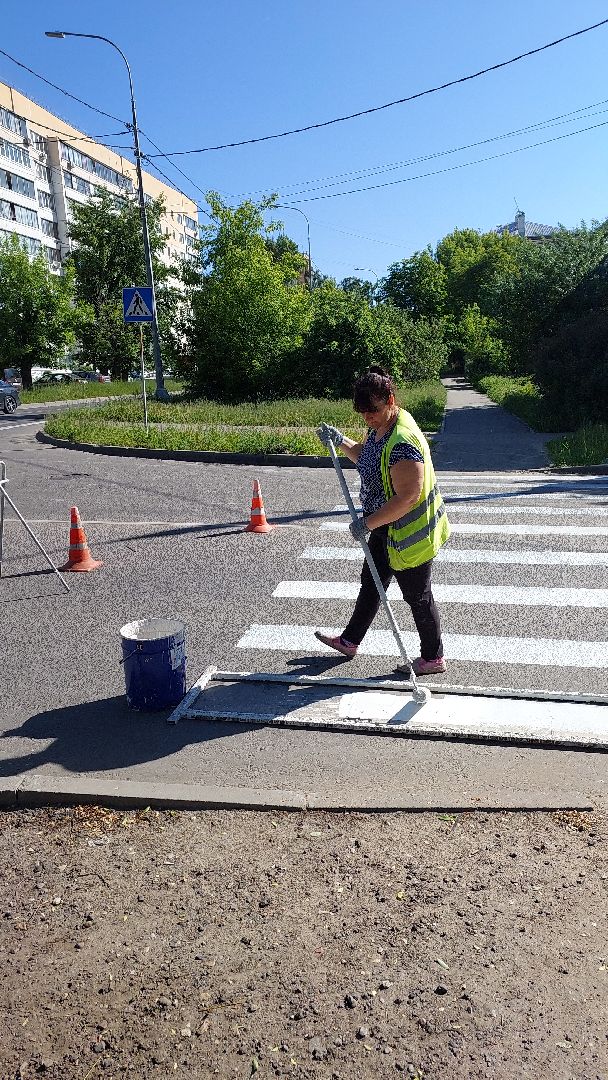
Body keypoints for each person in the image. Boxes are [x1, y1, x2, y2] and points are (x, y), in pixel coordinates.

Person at [315, 366, 450, 675]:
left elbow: (407, 497)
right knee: (372, 583)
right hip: (382, 525)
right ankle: (350, 641)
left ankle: (433, 657)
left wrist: (368, 523)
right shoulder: (383, 427)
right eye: (362, 414)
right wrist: (342, 441)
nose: (368, 418)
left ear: (390, 399)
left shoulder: (402, 441)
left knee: (417, 595)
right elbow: (370, 457)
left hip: (406, 531)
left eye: (372, 411)